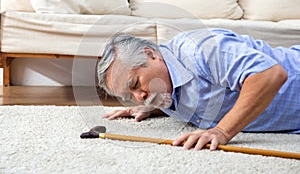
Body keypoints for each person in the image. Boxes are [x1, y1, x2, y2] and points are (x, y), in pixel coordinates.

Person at [96, 28, 300, 151]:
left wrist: (222, 131)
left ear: (150, 54)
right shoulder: (163, 88)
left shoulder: (201, 50)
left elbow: (270, 75)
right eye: (128, 95)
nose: (139, 96)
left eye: (135, 84)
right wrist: (151, 108)